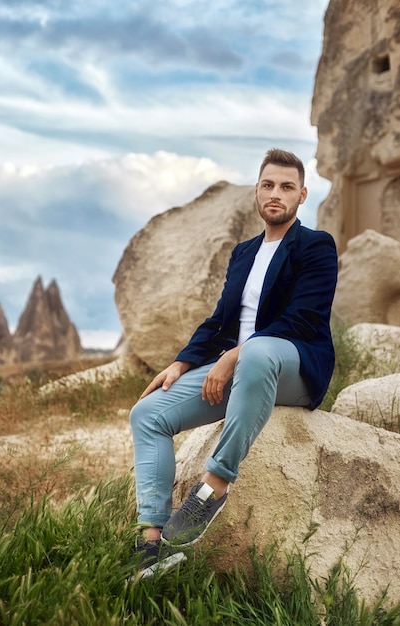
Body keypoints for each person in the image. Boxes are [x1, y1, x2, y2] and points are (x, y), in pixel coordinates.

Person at [128, 148, 338, 578]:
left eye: (285, 187)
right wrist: (182, 363)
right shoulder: (243, 252)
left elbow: (301, 319)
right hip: (240, 371)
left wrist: (232, 358)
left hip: (290, 367)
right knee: (147, 413)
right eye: (267, 185)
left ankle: (214, 485)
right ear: (256, 193)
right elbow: (220, 318)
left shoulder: (316, 246)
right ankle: (150, 547)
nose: (275, 194)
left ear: (301, 195)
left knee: (259, 351)